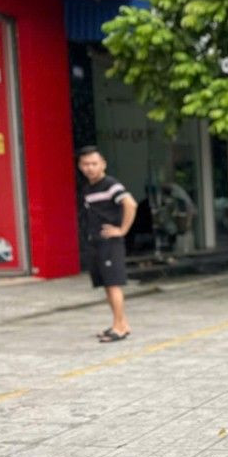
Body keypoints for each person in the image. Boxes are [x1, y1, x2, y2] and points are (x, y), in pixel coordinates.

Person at [77, 146, 138, 342]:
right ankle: (120, 324)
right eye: (85, 164)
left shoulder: (110, 184)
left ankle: (119, 328)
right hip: (96, 243)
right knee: (106, 285)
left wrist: (122, 230)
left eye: (94, 164)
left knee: (113, 285)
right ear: (80, 166)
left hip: (110, 243)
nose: (90, 168)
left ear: (103, 164)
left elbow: (130, 204)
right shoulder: (88, 188)